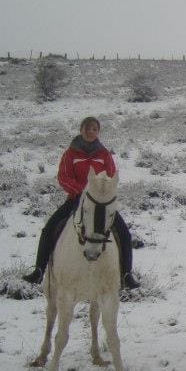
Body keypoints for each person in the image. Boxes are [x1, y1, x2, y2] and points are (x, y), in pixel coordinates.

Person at [22, 116, 140, 289]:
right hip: (75, 199)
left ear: (98, 132)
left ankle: (127, 274)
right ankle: (39, 270)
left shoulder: (104, 154)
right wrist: (81, 191)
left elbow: (111, 175)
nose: (91, 132)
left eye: (94, 129)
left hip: (99, 202)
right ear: (81, 130)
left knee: (124, 233)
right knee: (49, 229)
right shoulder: (70, 153)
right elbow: (63, 177)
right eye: (88, 128)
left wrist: (100, 193)